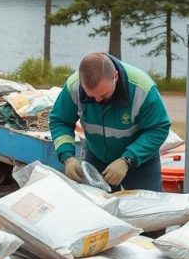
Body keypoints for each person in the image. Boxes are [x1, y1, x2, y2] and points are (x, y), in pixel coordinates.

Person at [49, 52, 171, 191]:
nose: (98, 101)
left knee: (148, 209)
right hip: (96, 158)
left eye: (104, 95)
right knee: (97, 209)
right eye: (91, 96)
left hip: (140, 161)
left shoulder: (141, 88)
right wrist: (68, 157)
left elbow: (158, 128)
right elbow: (60, 121)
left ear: (115, 77)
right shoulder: (74, 86)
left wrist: (127, 160)